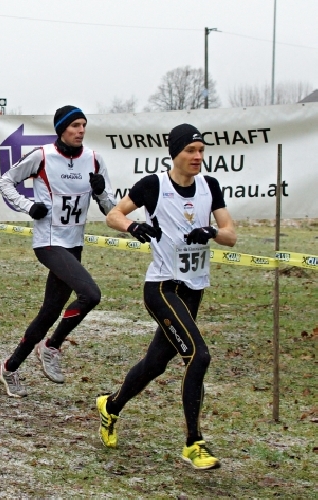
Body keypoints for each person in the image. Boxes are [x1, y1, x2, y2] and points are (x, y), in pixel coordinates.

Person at [98, 123, 237, 470]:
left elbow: (232, 236)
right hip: (162, 288)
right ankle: (194, 443)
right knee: (198, 355)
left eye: (202, 150)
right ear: (174, 153)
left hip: (193, 289)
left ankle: (110, 407)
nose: (198, 157)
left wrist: (213, 232)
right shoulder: (154, 185)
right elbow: (113, 215)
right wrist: (134, 226)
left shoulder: (210, 186)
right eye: (191, 151)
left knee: (155, 364)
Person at [0, 105, 116, 397]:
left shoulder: (95, 160)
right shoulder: (42, 155)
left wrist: (100, 193)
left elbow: (111, 210)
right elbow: (5, 182)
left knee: (49, 313)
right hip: (48, 242)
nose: (80, 130)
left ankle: (8, 368)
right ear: (62, 128)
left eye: (84, 125)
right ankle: (51, 346)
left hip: (74, 244)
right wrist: (28, 206)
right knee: (91, 294)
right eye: (74, 125)